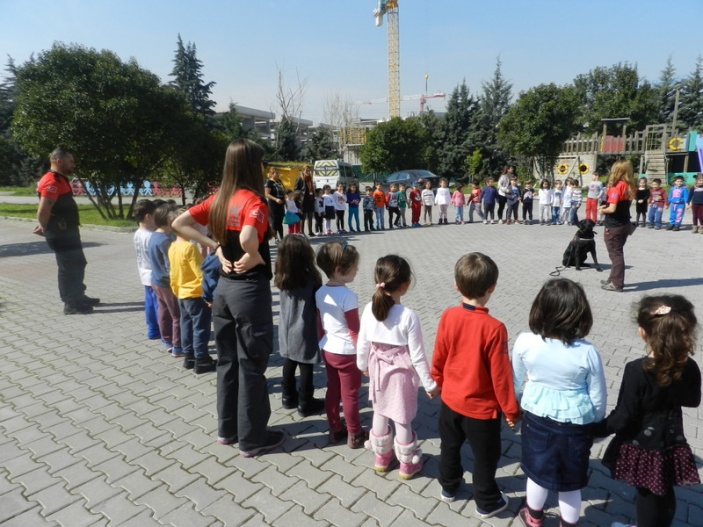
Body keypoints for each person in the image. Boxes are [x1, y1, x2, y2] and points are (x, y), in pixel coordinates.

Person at [172, 138, 284, 457]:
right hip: (249, 290)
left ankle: (228, 428)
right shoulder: (254, 202)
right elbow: (249, 237)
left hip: (223, 289)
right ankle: (252, 438)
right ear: (251, 165)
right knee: (251, 363)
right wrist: (256, 256)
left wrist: (216, 246)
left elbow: (179, 223)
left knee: (227, 360)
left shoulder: (218, 199)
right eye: (260, 163)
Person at [595, 295, 701, 527]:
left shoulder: (637, 370)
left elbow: (624, 416)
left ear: (643, 332)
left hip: (643, 446)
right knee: (664, 490)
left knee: (646, 494)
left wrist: (595, 430)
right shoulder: (689, 366)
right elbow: (693, 401)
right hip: (671, 443)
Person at [431, 253, 520, 518]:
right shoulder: (495, 328)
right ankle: (486, 501)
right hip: (481, 411)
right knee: (485, 457)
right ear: (491, 288)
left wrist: (436, 381)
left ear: (456, 286)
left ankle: (448, 487)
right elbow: (501, 376)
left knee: (448, 446)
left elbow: (439, 353)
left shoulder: (448, 315)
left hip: (450, 401)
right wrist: (511, 411)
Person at [512, 278, 606, 527]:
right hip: (576, 424)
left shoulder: (524, 341)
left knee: (536, 474)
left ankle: (533, 518)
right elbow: (598, 395)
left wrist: (514, 408)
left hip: (535, 418)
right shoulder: (587, 352)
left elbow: (515, 380)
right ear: (579, 314)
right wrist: (596, 426)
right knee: (570, 484)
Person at [357, 256, 439, 479]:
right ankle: (407, 463)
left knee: (380, 411)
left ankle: (381, 457)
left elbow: (363, 342)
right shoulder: (409, 317)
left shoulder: (367, 309)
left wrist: (362, 364)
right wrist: (430, 384)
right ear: (406, 284)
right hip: (401, 375)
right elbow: (418, 356)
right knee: (402, 418)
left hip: (377, 370)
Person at [34, 148, 99, 314]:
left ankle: (78, 295)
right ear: (58, 161)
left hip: (67, 230)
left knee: (77, 263)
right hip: (60, 232)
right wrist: (44, 226)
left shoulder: (59, 179)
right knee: (68, 267)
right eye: (71, 161)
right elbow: (43, 209)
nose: (73, 165)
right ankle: (71, 303)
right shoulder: (52, 181)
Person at [315, 241, 367, 449]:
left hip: (328, 348)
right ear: (339, 270)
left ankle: (335, 428)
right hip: (347, 352)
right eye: (353, 267)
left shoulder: (319, 292)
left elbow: (319, 321)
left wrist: (321, 342)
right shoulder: (348, 296)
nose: (357, 271)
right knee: (350, 394)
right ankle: (355, 433)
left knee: (333, 390)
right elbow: (355, 330)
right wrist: (364, 355)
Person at [274, 235, 325, 417]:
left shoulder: (281, 276)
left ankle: (287, 396)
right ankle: (305, 402)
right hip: (304, 327)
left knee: (289, 360)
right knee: (306, 364)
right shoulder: (310, 278)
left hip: (286, 329)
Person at [168, 209, 217, 374]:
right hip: (196, 294)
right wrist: (209, 295)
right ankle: (201, 359)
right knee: (201, 327)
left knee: (186, 324)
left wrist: (176, 290)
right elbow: (201, 273)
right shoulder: (190, 248)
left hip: (181, 293)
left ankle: (189, 356)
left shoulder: (173, 246)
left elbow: (173, 273)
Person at [147, 202, 182, 357]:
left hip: (155, 280)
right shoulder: (166, 241)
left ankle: (166, 339)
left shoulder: (154, 235)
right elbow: (171, 266)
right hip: (167, 283)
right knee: (177, 315)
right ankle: (177, 346)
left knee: (163, 310)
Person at [599, 160, 635, 292]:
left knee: (616, 254)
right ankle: (613, 278)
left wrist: (602, 210)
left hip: (614, 225)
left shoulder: (617, 186)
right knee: (617, 251)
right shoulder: (630, 185)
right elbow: (623, 205)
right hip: (625, 223)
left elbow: (612, 209)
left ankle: (617, 284)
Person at [133, 199, 161, 340]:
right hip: (155, 275)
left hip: (144, 274)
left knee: (150, 305)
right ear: (148, 216)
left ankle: (152, 330)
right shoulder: (151, 236)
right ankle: (164, 331)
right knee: (159, 306)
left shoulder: (138, 233)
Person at [264, 167, 285, 243]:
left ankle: (282, 238)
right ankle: (276, 238)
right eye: (276, 173)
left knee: (280, 221)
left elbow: (283, 191)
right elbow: (266, 194)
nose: (278, 174)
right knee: (274, 222)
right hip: (273, 205)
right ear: (272, 174)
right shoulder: (269, 182)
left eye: (278, 173)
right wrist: (276, 199)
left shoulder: (279, 181)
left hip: (281, 204)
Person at [294, 165, 316, 236]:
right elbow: (296, 189)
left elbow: (312, 189)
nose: (307, 171)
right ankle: (302, 232)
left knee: (310, 216)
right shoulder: (300, 179)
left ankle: (310, 231)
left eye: (308, 170)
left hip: (310, 199)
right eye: (306, 170)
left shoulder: (310, 179)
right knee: (303, 217)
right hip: (303, 200)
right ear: (303, 171)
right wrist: (299, 198)